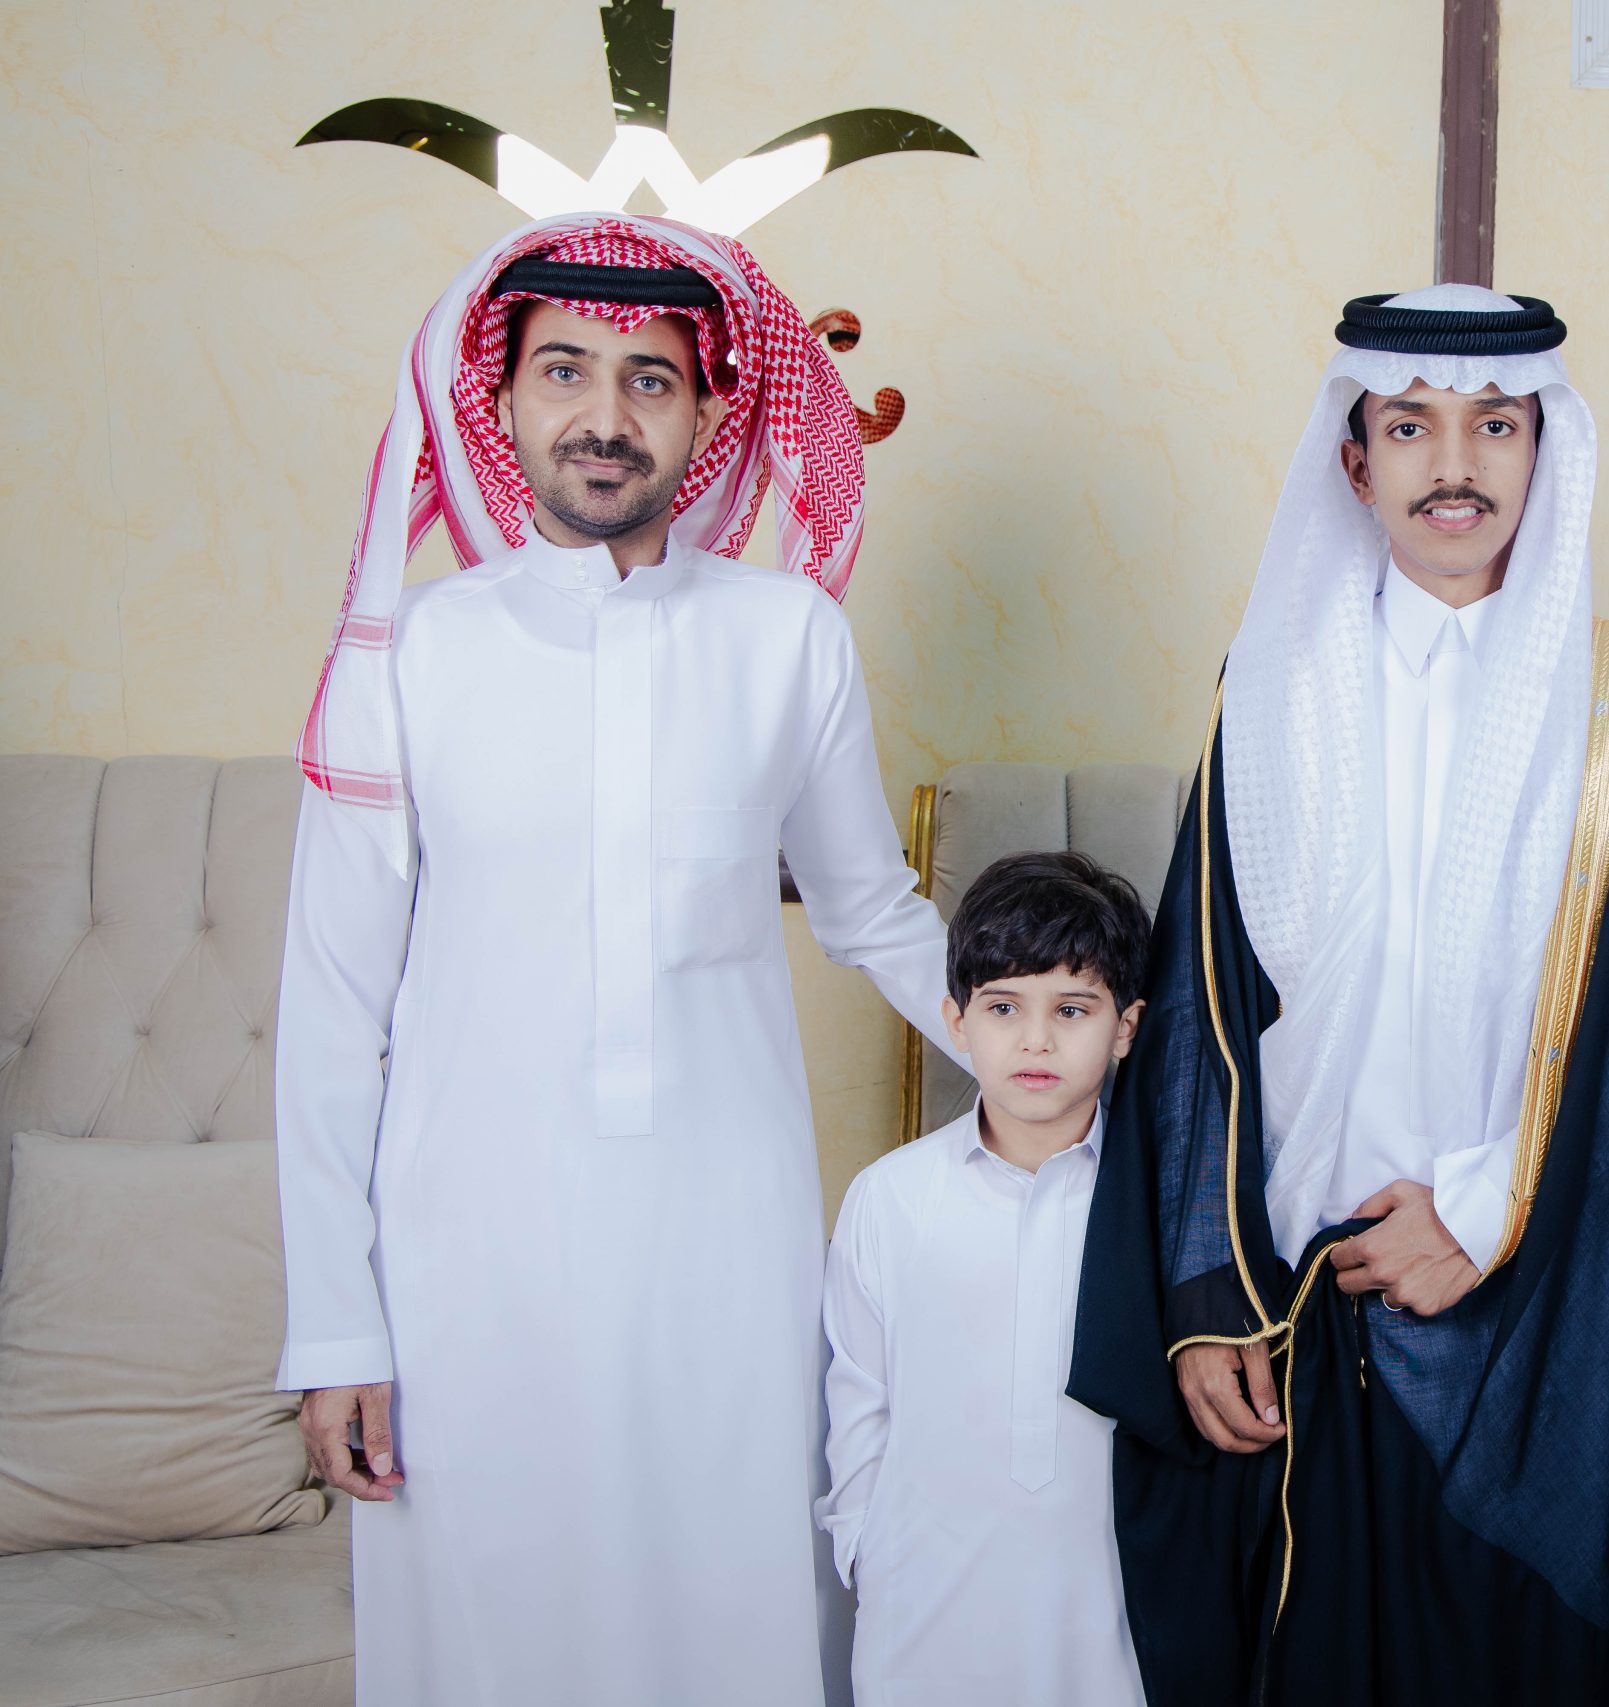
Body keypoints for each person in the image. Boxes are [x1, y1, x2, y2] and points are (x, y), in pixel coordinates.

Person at [1069, 286, 1609, 1706]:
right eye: (1410, 425)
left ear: (1545, 451)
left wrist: (1487, 1213)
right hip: (1308, 1302)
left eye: (1496, 426)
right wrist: (1200, 1291)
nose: (1454, 464)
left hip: (1553, 1311)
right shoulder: (1271, 684)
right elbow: (1198, 1005)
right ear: (1354, 458)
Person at [274, 213, 949, 1707]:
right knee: (486, 1636)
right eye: (564, 370)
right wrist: (335, 1323)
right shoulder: (415, 649)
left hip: (725, 1237)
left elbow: (873, 913)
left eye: (651, 379)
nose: (605, 414)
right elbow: (329, 1003)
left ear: (709, 414)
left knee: (730, 1615)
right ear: (503, 402)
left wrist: (1089, 1051)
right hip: (465, 1256)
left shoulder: (787, 639)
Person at [817, 851, 1153, 1705]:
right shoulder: (890, 1198)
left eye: (1072, 1009)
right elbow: (859, 1404)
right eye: (1004, 1006)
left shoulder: (1156, 1205)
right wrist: (867, 1549)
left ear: (1126, 1026)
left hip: (1109, 1619)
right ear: (957, 1020)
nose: (1036, 1039)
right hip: (922, 1617)